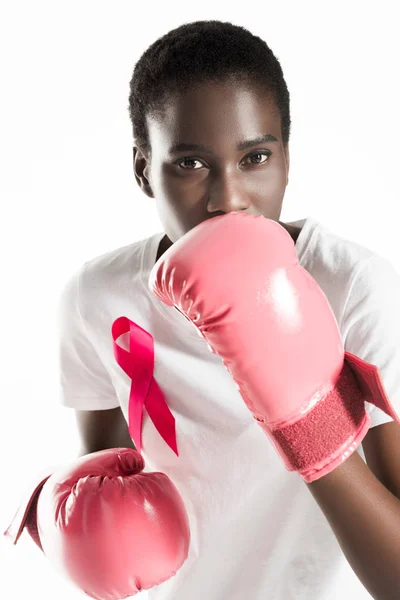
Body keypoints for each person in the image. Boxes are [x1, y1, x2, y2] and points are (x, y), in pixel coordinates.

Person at [58, 20, 400, 599]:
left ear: (287, 159)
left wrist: (308, 424)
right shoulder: (100, 295)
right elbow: (106, 482)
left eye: (255, 157)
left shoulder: (353, 285)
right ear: (143, 168)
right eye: (190, 163)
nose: (228, 198)